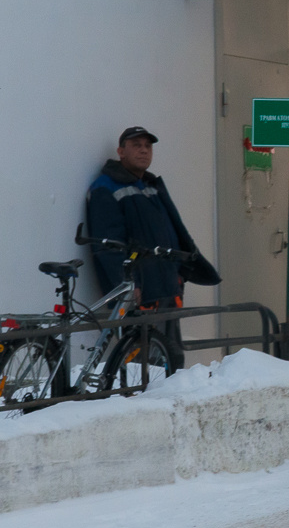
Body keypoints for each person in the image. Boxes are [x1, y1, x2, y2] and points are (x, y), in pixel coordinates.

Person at [85, 126, 218, 359]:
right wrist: (127, 285)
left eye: (147, 146)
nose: (144, 151)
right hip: (140, 292)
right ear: (121, 151)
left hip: (167, 286)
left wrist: (180, 271)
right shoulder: (106, 189)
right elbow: (107, 246)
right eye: (136, 145)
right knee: (144, 365)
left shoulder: (150, 186)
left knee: (172, 359)